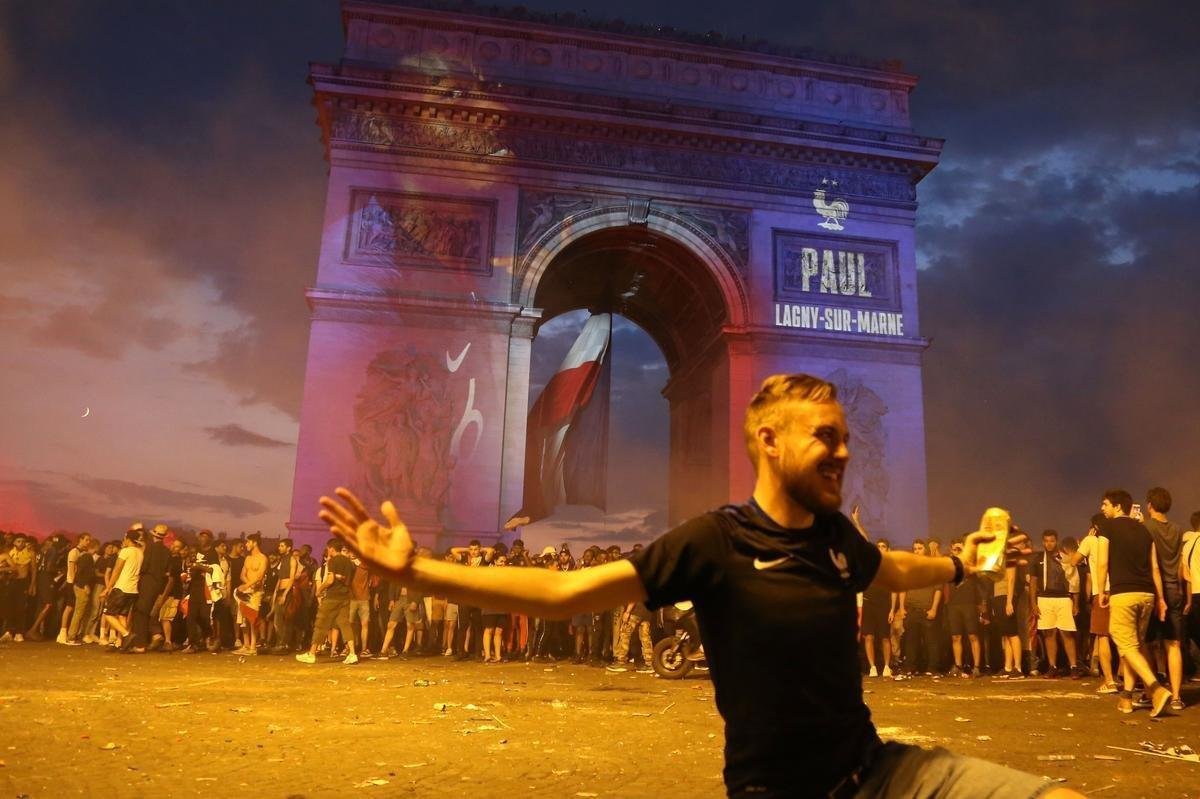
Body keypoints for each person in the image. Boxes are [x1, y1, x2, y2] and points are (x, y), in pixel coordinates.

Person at [320, 373, 1082, 799]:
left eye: (849, 438)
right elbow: (566, 593)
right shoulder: (711, 543)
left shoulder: (833, 537)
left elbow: (889, 569)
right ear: (768, 439)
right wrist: (416, 570)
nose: (846, 453)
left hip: (881, 772)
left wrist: (964, 563)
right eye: (828, 437)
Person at [1094, 489, 1171, 717]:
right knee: (1133, 647)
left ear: (1118, 507)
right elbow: (1154, 567)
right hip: (1146, 594)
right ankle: (1126, 698)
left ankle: (1156, 688)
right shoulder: (1145, 530)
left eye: (1105, 504)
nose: (1102, 508)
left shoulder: (1107, 528)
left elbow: (1102, 562)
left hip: (1123, 593)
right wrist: (1161, 599)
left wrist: (1101, 591)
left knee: (1124, 643)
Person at [1142, 487, 1186, 711]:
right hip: (1175, 589)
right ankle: (1177, 696)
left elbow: (1151, 566)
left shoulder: (1146, 528)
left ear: (1150, 505)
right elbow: (1180, 565)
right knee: (1174, 644)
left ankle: (1153, 691)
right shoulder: (1179, 530)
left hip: (1154, 590)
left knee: (1147, 643)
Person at [1029, 530, 1083, 677]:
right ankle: (1052, 666)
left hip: (1063, 598)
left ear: (1056, 540)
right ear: (1042, 542)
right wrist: (1033, 603)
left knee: (1066, 633)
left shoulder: (1064, 557)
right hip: (1044, 599)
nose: (1049, 544)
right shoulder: (1038, 558)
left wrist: (1076, 603)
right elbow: (1033, 582)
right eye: (1046, 541)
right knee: (1049, 633)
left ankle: (1073, 666)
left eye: (1052, 541)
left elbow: (1074, 581)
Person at [236, 533, 267, 655]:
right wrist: (247, 585)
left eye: (248, 542)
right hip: (246, 591)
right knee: (243, 619)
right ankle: (246, 644)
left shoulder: (262, 558)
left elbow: (260, 575)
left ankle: (253, 647)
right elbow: (242, 574)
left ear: (254, 542)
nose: (246, 544)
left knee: (252, 618)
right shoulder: (247, 558)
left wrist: (248, 585)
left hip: (256, 592)